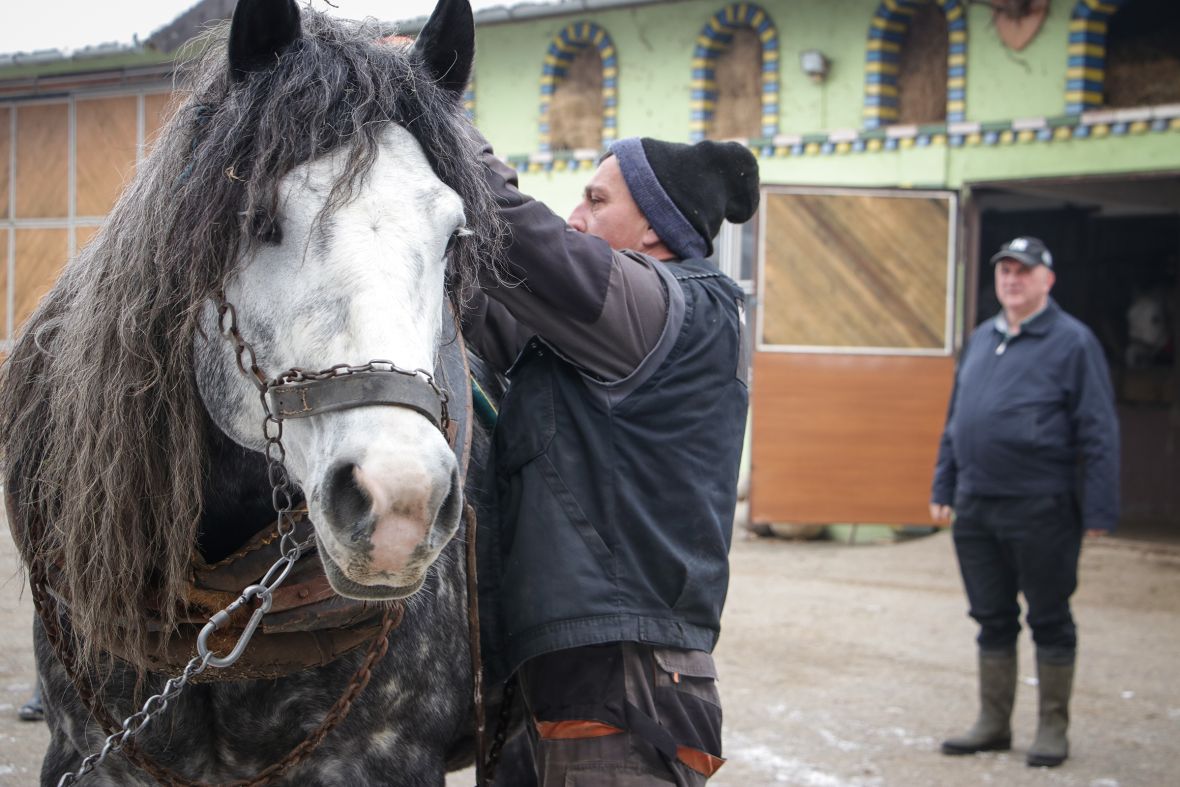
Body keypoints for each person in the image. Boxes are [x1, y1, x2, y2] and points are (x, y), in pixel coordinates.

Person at [462, 133, 757, 785]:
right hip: (565, 670)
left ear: (656, 229)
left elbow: (521, 239)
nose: (576, 216)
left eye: (596, 200)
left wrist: (440, 110)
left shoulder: (664, 307)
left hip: (626, 685)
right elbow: (483, 303)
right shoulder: (593, 336)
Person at [930, 236, 1120, 768]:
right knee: (991, 617)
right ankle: (993, 724)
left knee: (1050, 617)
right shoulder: (981, 338)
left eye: (1023, 271)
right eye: (1005, 271)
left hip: (1042, 505)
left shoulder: (1072, 342)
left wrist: (1101, 509)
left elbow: (1099, 430)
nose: (1012, 279)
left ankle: (1052, 729)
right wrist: (943, 485)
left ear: (1047, 280)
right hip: (977, 505)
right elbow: (956, 421)